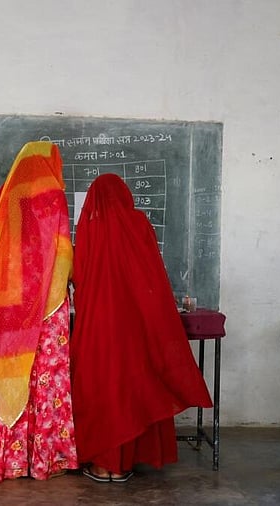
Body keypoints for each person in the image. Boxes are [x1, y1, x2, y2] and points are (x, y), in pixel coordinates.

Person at [71, 173, 213, 482]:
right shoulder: (139, 224)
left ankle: (101, 464)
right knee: (130, 390)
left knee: (100, 388)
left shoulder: (88, 228)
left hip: (96, 325)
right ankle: (123, 465)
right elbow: (151, 276)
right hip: (133, 327)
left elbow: (78, 276)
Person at [0, 141, 78, 481]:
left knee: (11, 376)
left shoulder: (3, 197)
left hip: (10, 308)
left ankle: (4, 459)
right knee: (47, 381)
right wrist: (60, 288)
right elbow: (62, 255)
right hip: (48, 307)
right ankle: (45, 459)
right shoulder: (53, 196)